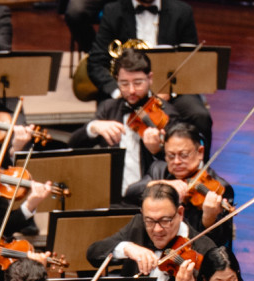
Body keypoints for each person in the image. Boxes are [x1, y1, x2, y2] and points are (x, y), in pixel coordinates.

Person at [82, 0, 212, 156]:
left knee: (200, 116)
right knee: (109, 118)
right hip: (127, 91)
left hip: (171, 89)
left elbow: (191, 62)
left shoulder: (182, 11)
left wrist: (168, 90)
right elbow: (96, 62)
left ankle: (199, 167)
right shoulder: (113, 11)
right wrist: (120, 91)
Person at [69, 49, 180, 194]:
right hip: (112, 196)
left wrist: (158, 150)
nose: (131, 90)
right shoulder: (109, 108)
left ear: (150, 78)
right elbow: (73, 143)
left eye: (138, 83)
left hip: (150, 196)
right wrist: (93, 127)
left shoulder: (167, 113)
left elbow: (179, 165)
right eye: (124, 83)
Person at [123, 122, 233, 248]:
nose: (176, 161)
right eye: (171, 156)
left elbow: (220, 243)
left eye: (183, 155)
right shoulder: (159, 170)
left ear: (200, 152)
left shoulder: (220, 189)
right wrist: (161, 184)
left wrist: (208, 219)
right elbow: (130, 194)